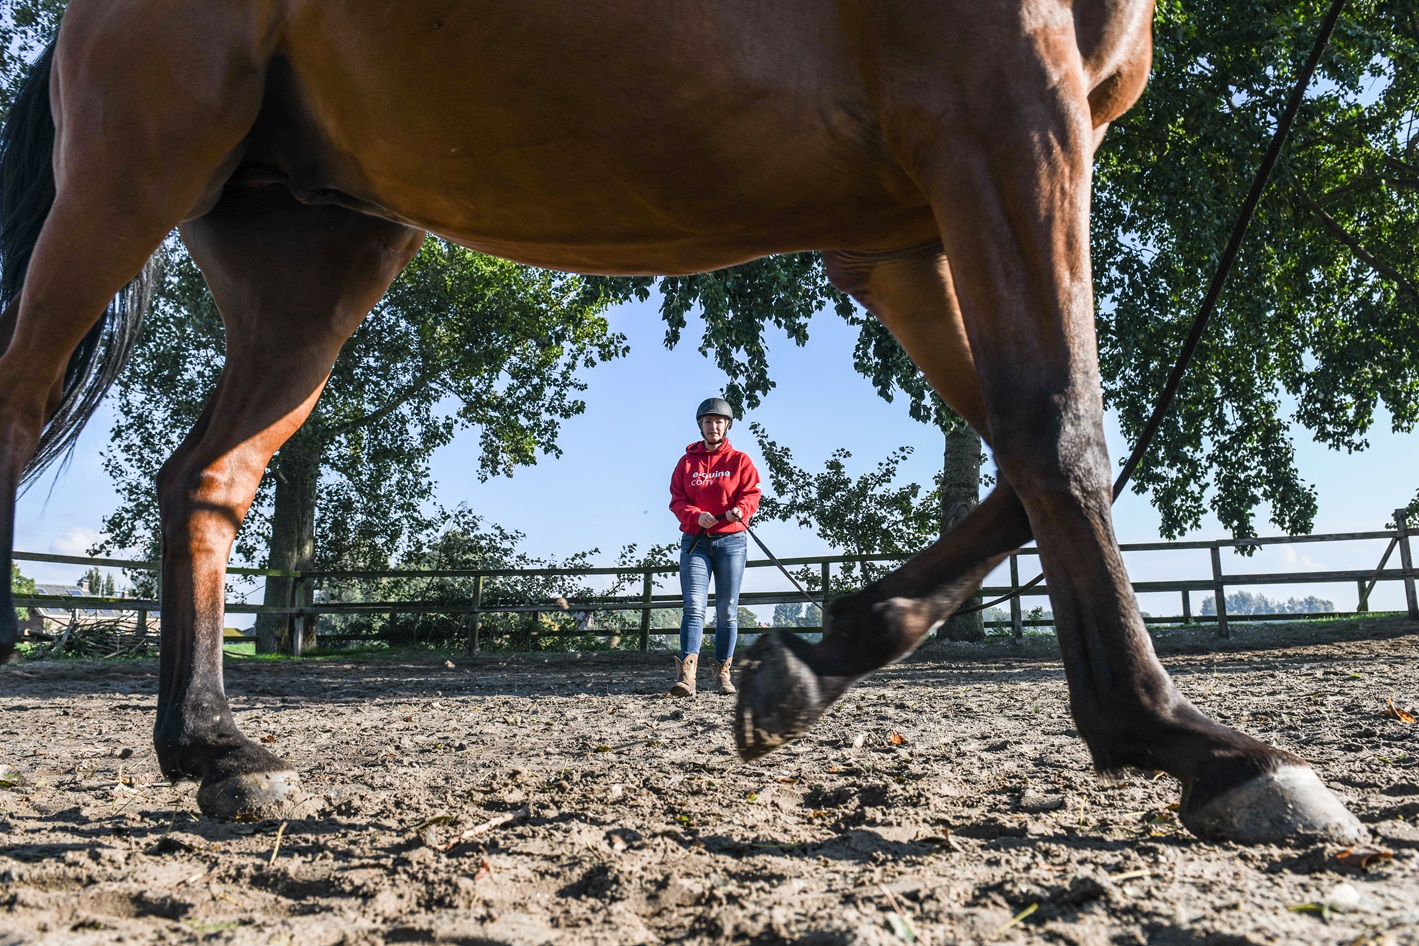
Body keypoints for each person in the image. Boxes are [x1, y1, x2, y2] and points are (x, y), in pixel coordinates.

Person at [667, 397, 762, 697]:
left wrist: (740, 510)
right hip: (696, 542)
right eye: (708, 421)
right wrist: (696, 515)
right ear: (701, 426)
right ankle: (687, 676)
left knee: (727, 610)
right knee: (694, 607)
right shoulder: (686, 463)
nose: (713, 426)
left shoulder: (740, 461)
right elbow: (677, 500)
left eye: (718, 421)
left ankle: (723, 673)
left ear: (727, 425)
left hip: (731, 542)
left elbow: (752, 493)